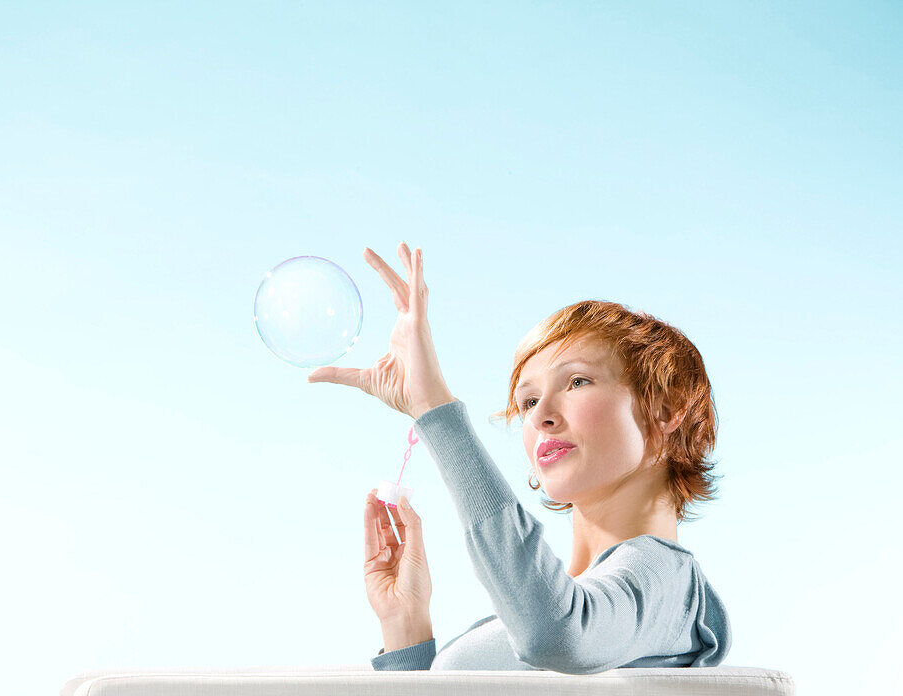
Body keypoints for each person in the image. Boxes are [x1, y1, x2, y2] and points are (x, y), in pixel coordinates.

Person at [307, 243, 732, 674]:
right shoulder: (547, 610)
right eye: (527, 401)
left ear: (665, 409)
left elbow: (557, 634)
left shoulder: (667, 583)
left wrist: (435, 409)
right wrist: (406, 625)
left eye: (577, 381)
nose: (542, 415)